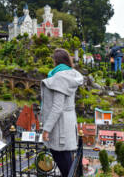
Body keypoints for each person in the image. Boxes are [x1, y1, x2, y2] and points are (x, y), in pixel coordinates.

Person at [41, 48, 84, 177]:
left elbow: (57, 107)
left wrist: (46, 129)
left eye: (53, 60)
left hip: (60, 127)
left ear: (57, 61)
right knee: (68, 163)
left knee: (65, 166)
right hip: (68, 123)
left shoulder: (60, 77)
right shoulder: (71, 74)